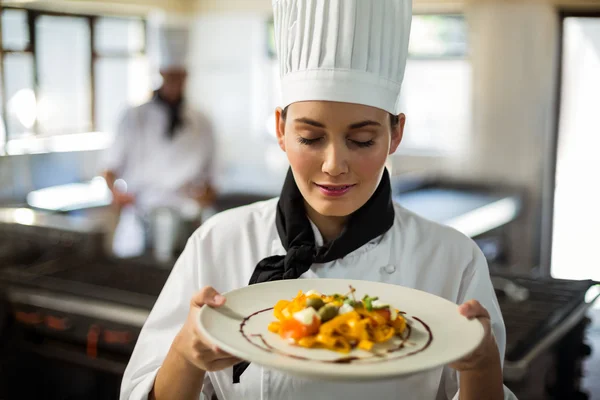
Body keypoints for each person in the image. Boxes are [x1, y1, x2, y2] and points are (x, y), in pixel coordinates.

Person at [120, 0, 517, 399]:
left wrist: (482, 366)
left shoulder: (453, 261)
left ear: (395, 135)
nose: (333, 165)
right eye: (310, 138)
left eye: (362, 141)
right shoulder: (218, 242)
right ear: (281, 129)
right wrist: (186, 354)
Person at [102, 20, 217, 258]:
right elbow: (108, 169)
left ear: (186, 76)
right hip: (140, 215)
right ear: (161, 74)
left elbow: (214, 177)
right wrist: (117, 194)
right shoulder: (133, 116)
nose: (175, 82)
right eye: (170, 76)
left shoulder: (202, 121)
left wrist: (205, 196)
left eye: (180, 76)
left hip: (187, 217)